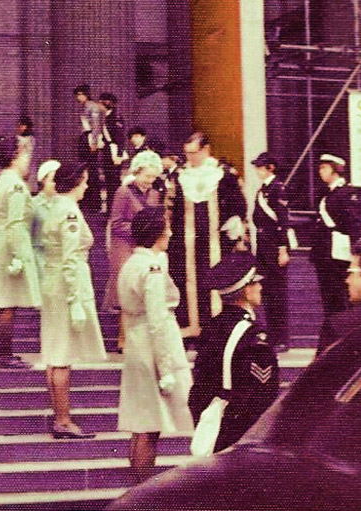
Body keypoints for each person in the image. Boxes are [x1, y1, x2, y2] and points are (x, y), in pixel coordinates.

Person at [117, 206, 194, 483]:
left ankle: (137, 490)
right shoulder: (152, 267)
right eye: (166, 228)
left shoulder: (133, 262)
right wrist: (166, 369)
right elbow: (157, 320)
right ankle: (142, 493)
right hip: (152, 346)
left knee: (142, 425)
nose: (170, 233)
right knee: (149, 427)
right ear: (156, 232)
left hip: (137, 342)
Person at [40, 164, 107, 439]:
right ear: (75, 183)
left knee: (55, 353)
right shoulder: (68, 211)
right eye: (84, 181)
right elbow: (69, 258)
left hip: (54, 281)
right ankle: (63, 420)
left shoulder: (55, 206)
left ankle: (60, 417)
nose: (87, 186)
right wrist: (74, 299)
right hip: (65, 285)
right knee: (62, 355)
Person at [189, 251, 279, 454]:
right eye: (256, 282)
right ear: (246, 291)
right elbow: (262, 397)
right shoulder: (253, 335)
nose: (261, 287)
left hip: (214, 428)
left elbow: (198, 390)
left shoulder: (211, 327)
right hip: (240, 436)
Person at [170, 132, 247, 338]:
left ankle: (216, 331)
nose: (190, 157)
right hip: (185, 245)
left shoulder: (224, 174)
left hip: (216, 244)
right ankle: (190, 329)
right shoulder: (180, 175)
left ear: (206, 149)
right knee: (186, 284)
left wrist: (234, 228)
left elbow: (238, 206)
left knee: (215, 283)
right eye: (187, 153)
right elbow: (171, 209)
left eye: (193, 153)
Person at [0, 135, 41, 370]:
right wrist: (18, 256)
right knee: (7, 302)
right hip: (10, 246)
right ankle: (5, 356)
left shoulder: (0, 181)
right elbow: (16, 222)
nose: (28, 160)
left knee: (2, 302)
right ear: (15, 156)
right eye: (25, 155)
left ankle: (4, 353)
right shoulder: (15, 185)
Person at [102, 150, 163, 353]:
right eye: (147, 176)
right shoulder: (123, 192)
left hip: (145, 246)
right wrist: (140, 229)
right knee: (126, 293)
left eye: (153, 177)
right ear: (137, 172)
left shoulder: (154, 194)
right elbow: (116, 223)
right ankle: (122, 339)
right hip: (124, 246)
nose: (150, 181)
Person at [310, 153, 361, 318]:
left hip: (338, 253)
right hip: (324, 253)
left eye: (324, 167)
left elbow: (353, 224)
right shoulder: (327, 193)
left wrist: (356, 253)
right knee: (328, 298)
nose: (320, 171)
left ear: (335, 169)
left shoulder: (346, 192)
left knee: (340, 296)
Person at [251, 152, 290, 351]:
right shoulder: (264, 189)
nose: (257, 170)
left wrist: (283, 248)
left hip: (274, 245)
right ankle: (272, 335)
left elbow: (283, 221)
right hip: (264, 244)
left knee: (277, 293)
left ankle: (281, 338)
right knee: (266, 291)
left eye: (260, 167)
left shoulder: (277, 188)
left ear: (270, 168)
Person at [73, 84, 105, 212]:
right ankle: (87, 201)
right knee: (85, 169)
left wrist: (94, 142)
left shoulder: (93, 107)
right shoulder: (85, 107)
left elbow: (96, 126)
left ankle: (94, 203)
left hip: (90, 138)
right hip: (85, 137)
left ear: (85, 94)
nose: (78, 98)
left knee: (91, 170)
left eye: (79, 95)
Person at [32, 159, 60, 279]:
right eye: (52, 180)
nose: (56, 184)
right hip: (39, 261)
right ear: (43, 181)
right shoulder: (33, 204)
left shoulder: (64, 204)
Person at [99, 92, 126, 211]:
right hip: (107, 152)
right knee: (108, 181)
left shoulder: (116, 117)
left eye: (103, 101)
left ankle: (117, 209)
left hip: (115, 153)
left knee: (115, 182)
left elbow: (120, 138)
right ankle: (110, 209)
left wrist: (119, 155)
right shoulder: (104, 117)